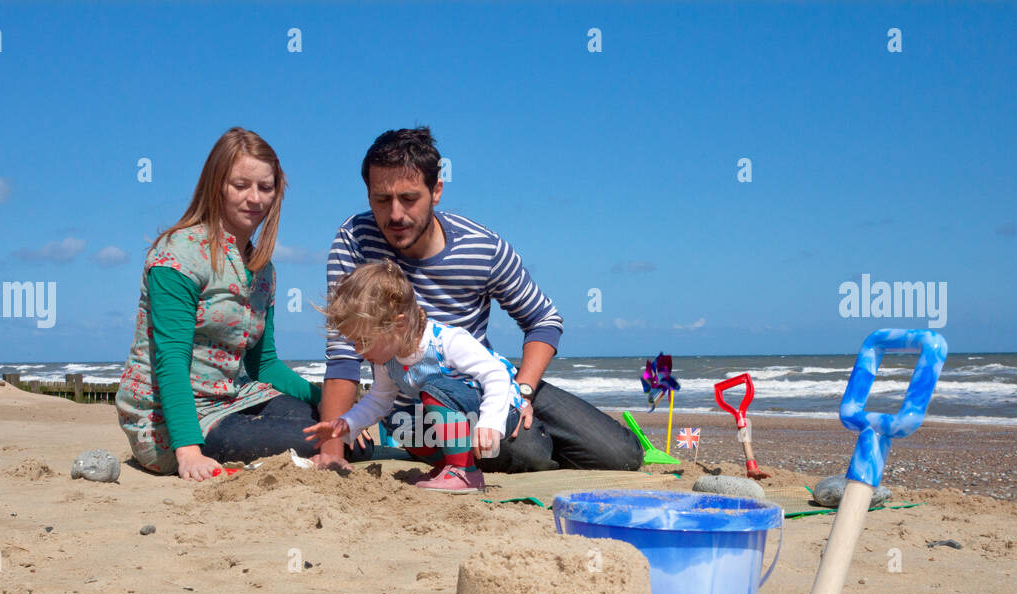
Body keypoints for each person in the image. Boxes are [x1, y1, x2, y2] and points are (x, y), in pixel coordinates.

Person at [312, 126, 642, 474]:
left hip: (487, 375)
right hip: (417, 401)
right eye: (382, 199)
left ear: (436, 190)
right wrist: (333, 450)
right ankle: (526, 449)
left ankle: (535, 438)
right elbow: (344, 352)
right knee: (530, 453)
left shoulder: (482, 247)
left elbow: (543, 320)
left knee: (620, 455)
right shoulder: (354, 241)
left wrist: (522, 392)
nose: (395, 215)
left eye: (409, 198)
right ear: (368, 195)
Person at [117, 127, 338, 480]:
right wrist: (188, 452)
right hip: (168, 420)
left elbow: (264, 366)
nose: (255, 198)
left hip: (234, 399)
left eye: (265, 188)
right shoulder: (178, 255)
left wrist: (333, 406)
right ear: (216, 184)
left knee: (338, 433)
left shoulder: (262, 268)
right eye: (240, 185)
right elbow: (171, 360)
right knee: (318, 443)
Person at [304, 261, 525, 493]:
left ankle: (465, 473)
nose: (359, 350)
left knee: (433, 389)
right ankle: (447, 468)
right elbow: (378, 400)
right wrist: (346, 424)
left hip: (499, 408)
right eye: (354, 342)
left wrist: (490, 421)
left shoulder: (445, 341)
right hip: (454, 419)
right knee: (399, 422)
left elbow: (496, 374)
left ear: (399, 324)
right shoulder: (387, 360)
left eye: (365, 340)